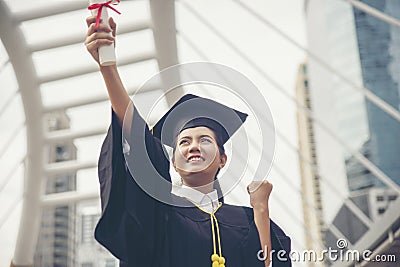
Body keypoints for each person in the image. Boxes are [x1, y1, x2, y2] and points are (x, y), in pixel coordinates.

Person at [85, 15, 292, 267]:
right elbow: (139, 141)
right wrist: (108, 66)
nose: (193, 145)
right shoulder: (160, 212)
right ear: (172, 161)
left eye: (204, 139)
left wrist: (261, 209)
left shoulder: (247, 220)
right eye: (183, 142)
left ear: (222, 159)